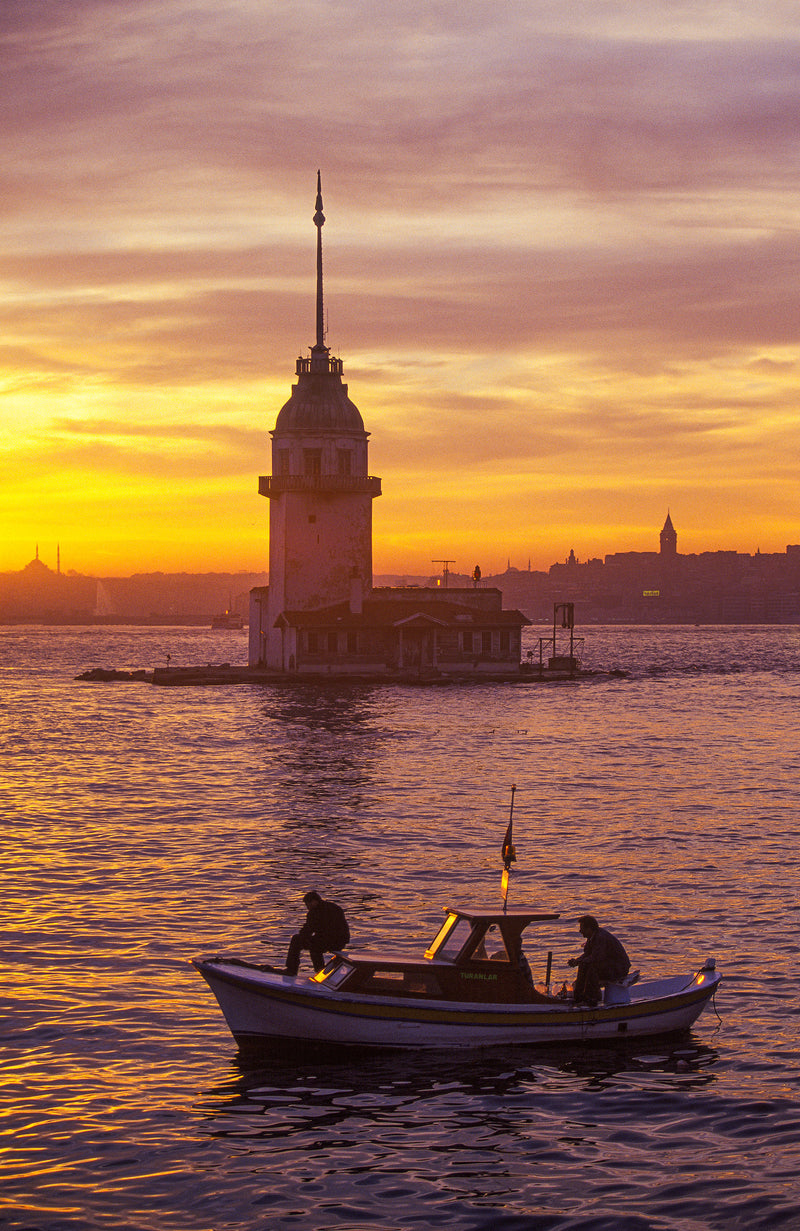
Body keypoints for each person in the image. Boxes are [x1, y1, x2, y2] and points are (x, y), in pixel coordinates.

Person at [567, 914, 630, 1006]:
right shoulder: (592, 937)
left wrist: (578, 962)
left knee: (592, 968)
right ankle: (579, 997)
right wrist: (577, 961)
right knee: (584, 965)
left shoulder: (601, 937)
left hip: (618, 968)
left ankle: (592, 999)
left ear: (589, 928)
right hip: (607, 965)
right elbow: (587, 954)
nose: (580, 931)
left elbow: (596, 958)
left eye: (582, 928)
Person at [285, 891, 350, 975]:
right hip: (340, 941)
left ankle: (292, 969)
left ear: (314, 901)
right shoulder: (333, 907)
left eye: (308, 904)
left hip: (331, 940)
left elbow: (308, 929)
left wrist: (302, 937)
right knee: (314, 943)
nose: (307, 907)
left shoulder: (315, 912)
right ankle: (320, 971)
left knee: (298, 940)